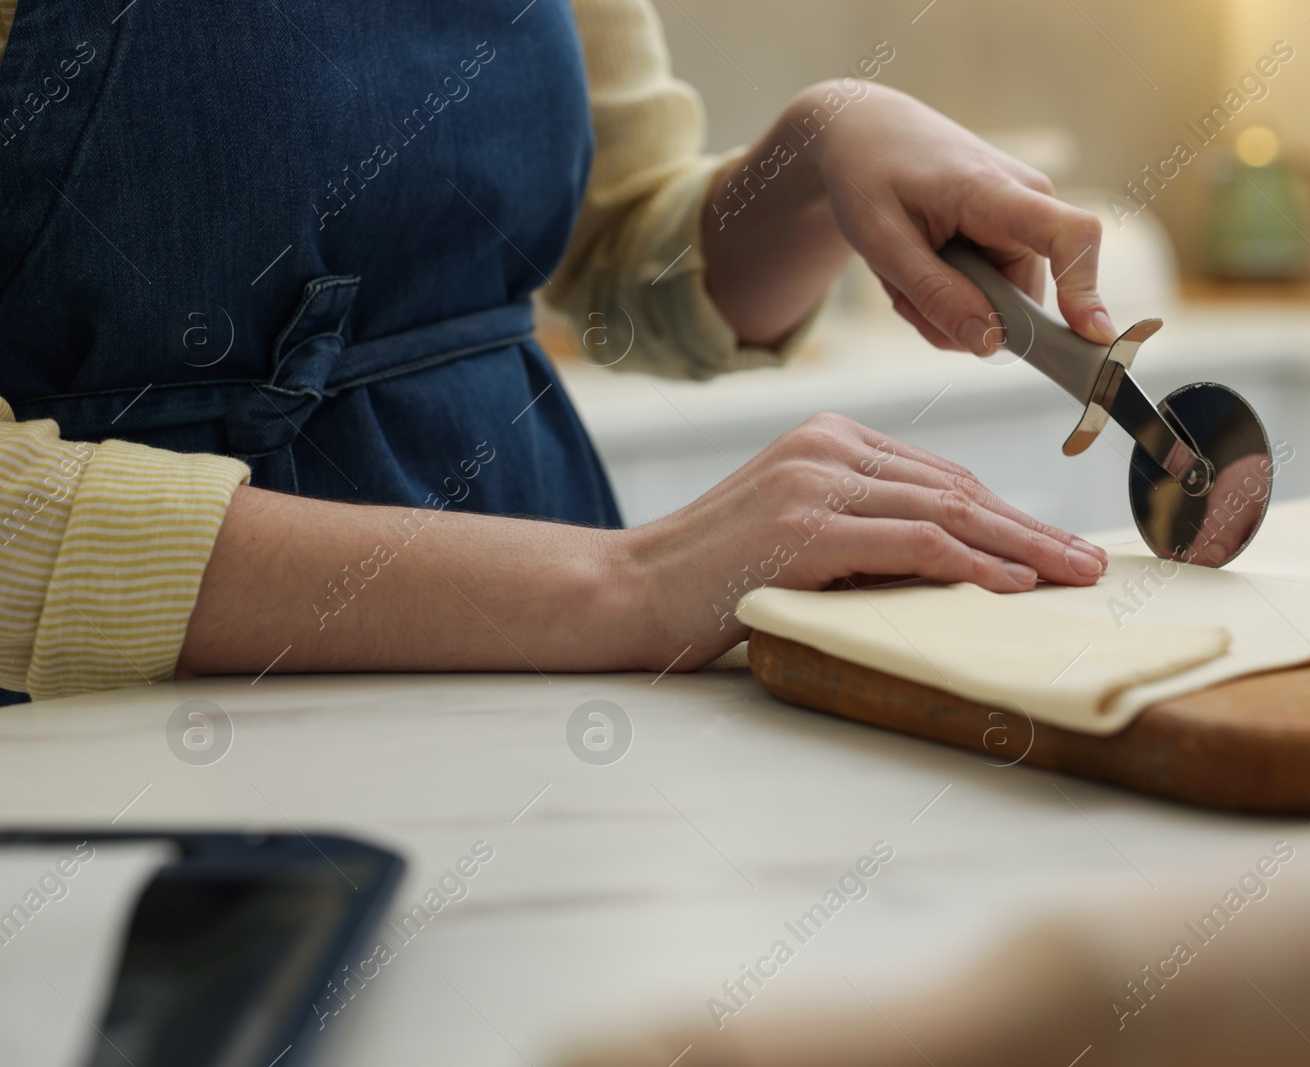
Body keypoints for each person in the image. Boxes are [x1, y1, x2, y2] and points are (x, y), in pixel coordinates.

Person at [0, 0, 1111, 705]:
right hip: (120, 708)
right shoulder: (610, 592)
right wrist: (618, 583)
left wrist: (819, 155)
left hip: (550, 662)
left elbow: (617, 241)